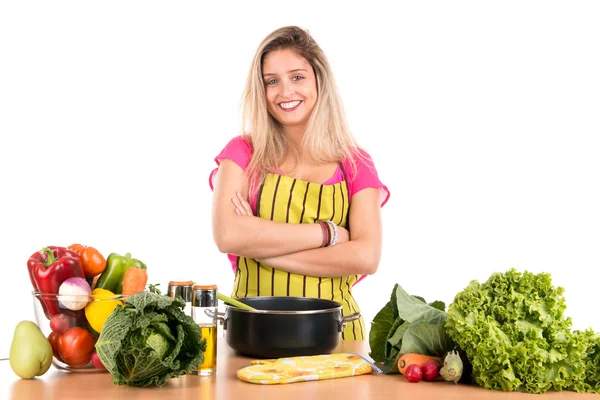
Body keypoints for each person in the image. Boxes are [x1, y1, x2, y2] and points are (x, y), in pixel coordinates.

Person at [209, 26, 390, 340]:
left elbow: (365, 257)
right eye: (272, 81)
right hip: (254, 337)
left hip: (338, 342)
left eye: (297, 77)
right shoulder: (242, 153)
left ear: (319, 80)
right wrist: (328, 233)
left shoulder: (356, 163)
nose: (285, 92)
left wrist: (263, 249)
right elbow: (228, 235)